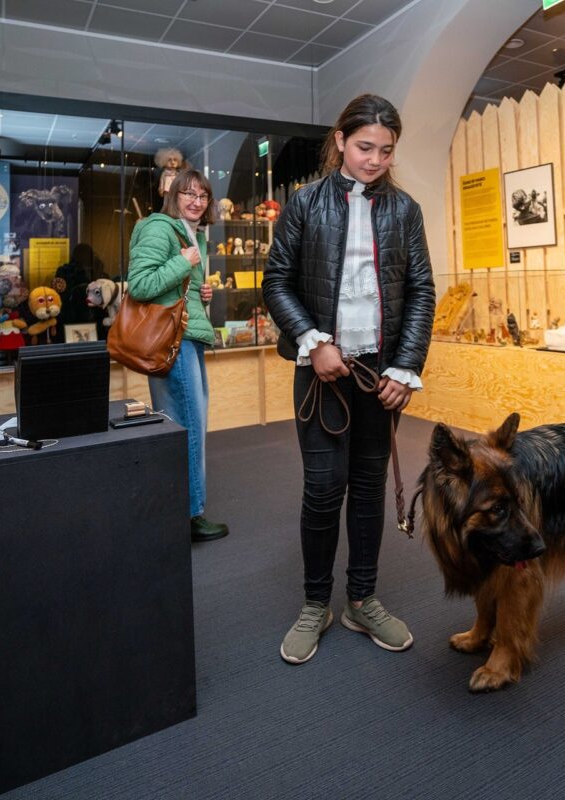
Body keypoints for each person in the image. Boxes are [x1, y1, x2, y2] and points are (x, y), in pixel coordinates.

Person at [263, 93, 436, 665]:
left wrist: (406, 367)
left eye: (386, 150)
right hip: (321, 373)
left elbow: (420, 294)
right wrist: (313, 343)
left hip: (379, 376)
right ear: (340, 140)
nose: (375, 159)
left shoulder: (406, 211)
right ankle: (317, 604)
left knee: (367, 492)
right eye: (365, 147)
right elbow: (277, 281)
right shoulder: (304, 204)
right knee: (322, 489)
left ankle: (362, 599)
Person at [126, 169, 228, 542]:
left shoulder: (190, 233)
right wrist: (183, 264)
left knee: (185, 425)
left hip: (187, 337)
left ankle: (177, 511)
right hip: (174, 341)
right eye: (188, 194)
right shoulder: (159, 228)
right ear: (173, 197)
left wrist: (200, 296)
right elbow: (140, 285)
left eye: (203, 195)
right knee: (187, 427)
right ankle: (191, 515)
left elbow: (171, 288)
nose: (197, 201)